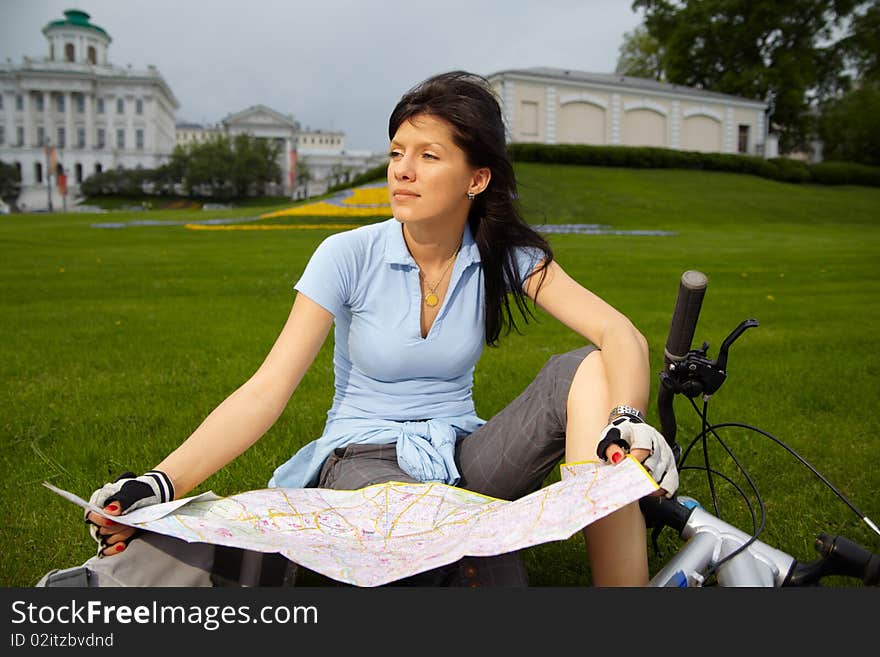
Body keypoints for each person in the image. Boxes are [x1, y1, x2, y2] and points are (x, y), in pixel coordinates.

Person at [39, 71, 677, 588]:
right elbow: (267, 390)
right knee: (474, 568)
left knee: (584, 370)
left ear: (476, 180)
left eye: (428, 155)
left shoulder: (502, 255)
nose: (402, 169)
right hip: (365, 462)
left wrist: (626, 422)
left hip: (459, 457)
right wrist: (162, 480)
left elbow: (621, 335)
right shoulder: (346, 254)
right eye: (398, 152)